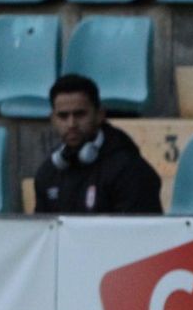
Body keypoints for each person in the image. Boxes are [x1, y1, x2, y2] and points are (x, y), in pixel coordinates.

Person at [33, 74, 163, 214]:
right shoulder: (48, 174)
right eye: (63, 116)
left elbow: (139, 232)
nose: (71, 124)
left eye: (80, 114)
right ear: (52, 119)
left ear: (100, 115)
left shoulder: (129, 169)